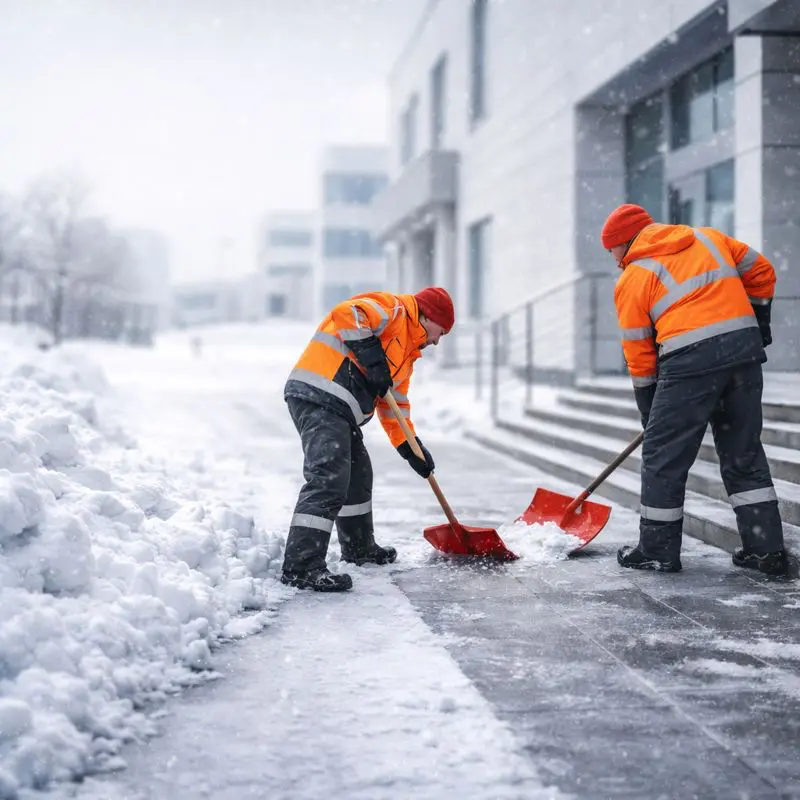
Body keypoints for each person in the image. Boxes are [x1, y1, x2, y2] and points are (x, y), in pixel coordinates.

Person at [601, 203, 787, 576]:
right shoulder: (709, 238)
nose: (614, 258)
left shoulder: (635, 277)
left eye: (612, 250)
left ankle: (657, 551)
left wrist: (649, 411)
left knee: (663, 459)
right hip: (743, 352)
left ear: (625, 242)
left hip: (690, 362)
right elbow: (763, 271)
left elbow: (639, 354)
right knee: (743, 453)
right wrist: (759, 322)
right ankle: (765, 551)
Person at [280, 287, 455, 592]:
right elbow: (348, 312)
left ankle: (359, 548)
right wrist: (371, 356)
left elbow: (395, 406)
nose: (438, 341)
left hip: (339, 409)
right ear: (429, 316)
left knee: (358, 474)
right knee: (329, 476)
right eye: (442, 332)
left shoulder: (406, 356)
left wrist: (412, 449)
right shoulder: (394, 310)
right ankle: (301, 566)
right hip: (318, 393)